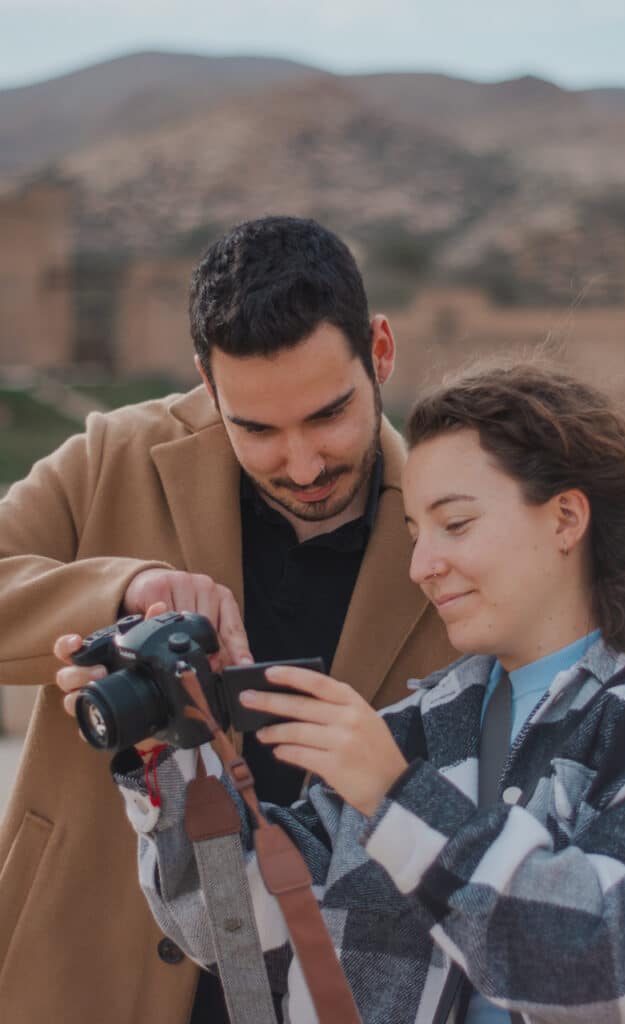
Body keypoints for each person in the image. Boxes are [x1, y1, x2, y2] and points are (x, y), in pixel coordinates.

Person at [57, 362, 625, 1023]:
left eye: (455, 524)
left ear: (565, 519)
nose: (422, 566)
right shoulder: (414, 731)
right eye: (413, 533)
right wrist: (172, 754)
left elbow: (624, 963)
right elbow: (241, 932)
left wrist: (399, 799)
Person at [0, 216, 455, 1024]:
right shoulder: (114, 453)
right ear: (208, 386)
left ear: (379, 352)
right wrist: (122, 588)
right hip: (87, 964)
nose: (304, 464)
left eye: (328, 415)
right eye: (258, 429)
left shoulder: (456, 523)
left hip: (336, 986)